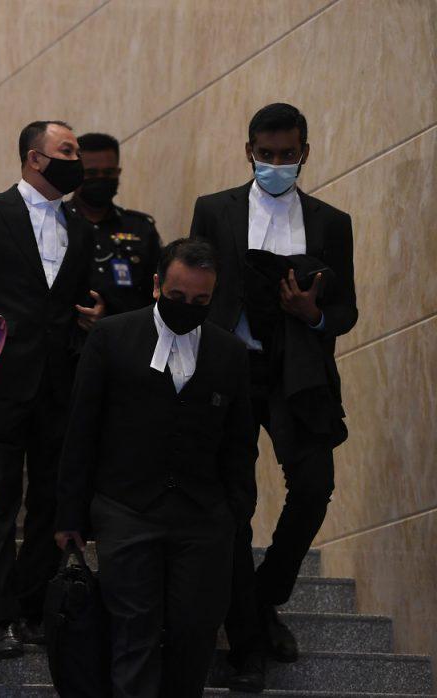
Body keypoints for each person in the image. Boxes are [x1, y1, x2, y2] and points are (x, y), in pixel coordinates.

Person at [189, 103, 357, 691]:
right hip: (230, 369)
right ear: (249, 152)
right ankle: (247, 639)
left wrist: (312, 314)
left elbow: (347, 311)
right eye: (267, 155)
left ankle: (263, 599)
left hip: (299, 374)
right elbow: (196, 288)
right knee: (232, 502)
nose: (277, 164)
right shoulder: (215, 210)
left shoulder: (332, 222)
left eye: (288, 155)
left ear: (305, 153)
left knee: (314, 485)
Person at [56, 238, 257, 697]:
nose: (188, 307)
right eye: (177, 298)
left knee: (195, 635)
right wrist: (69, 514)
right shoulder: (111, 338)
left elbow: (241, 444)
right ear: (155, 286)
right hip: (126, 510)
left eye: (201, 301)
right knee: (133, 634)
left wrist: (236, 511)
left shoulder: (229, 354)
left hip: (203, 517)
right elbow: (80, 430)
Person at [0, 120, 92, 657]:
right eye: (67, 150)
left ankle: (30, 608)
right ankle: (0, 616)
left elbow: (74, 303)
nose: (78, 159)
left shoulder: (81, 225)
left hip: (59, 384)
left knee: (51, 502)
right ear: (34, 158)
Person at [70, 132, 162, 330]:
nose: (101, 179)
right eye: (92, 174)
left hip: (126, 341)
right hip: (67, 346)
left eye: (109, 173)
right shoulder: (57, 223)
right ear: (76, 173)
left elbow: (157, 293)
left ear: (118, 173)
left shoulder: (140, 228)